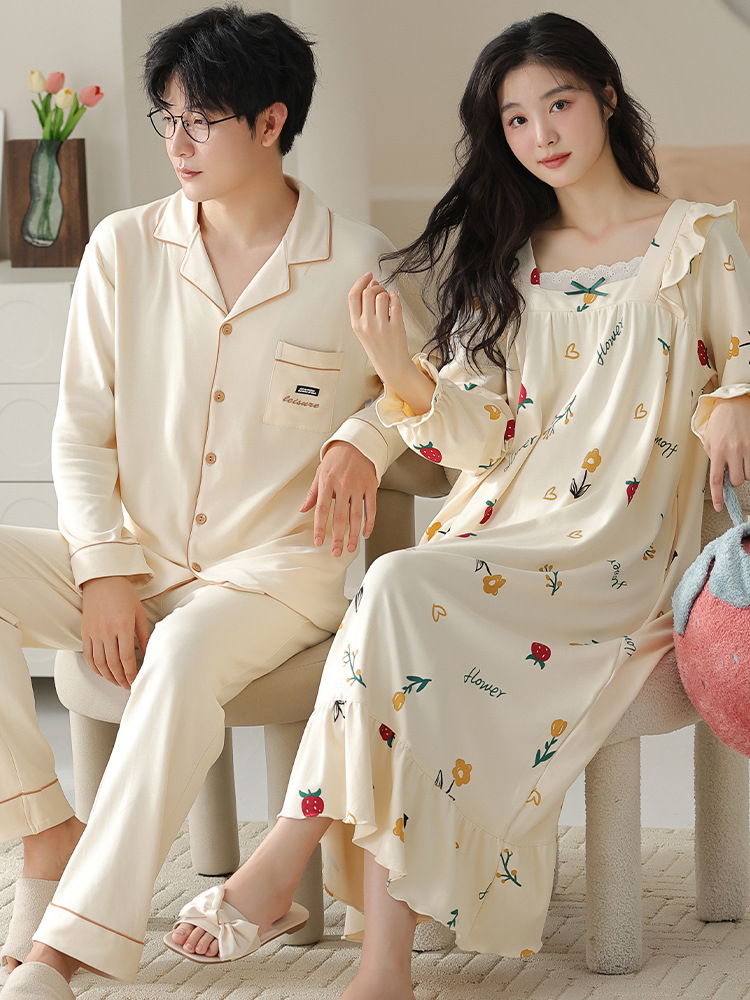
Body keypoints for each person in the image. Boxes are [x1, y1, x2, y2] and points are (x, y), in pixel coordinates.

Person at [164, 11, 750, 1000]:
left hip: (613, 554)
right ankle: (383, 967)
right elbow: (473, 437)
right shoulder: (511, 256)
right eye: (515, 120)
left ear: (606, 98)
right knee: (399, 607)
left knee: (394, 593)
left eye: (558, 104)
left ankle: (276, 868)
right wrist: (397, 368)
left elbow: (743, 350)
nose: (541, 134)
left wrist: (736, 396)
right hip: (498, 532)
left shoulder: (696, 239)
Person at [0, 6, 427, 998]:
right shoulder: (122, 247)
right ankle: (45, 826)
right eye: (169, 118)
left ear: (271, 123)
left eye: (202, 120)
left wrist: (365, 435)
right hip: (139, 553)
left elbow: (439, 399)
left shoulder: (358, 259)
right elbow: (80, 430)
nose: (178, 143)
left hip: (273, 574)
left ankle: (65, 949)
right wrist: (102, 569)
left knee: (184, 653)